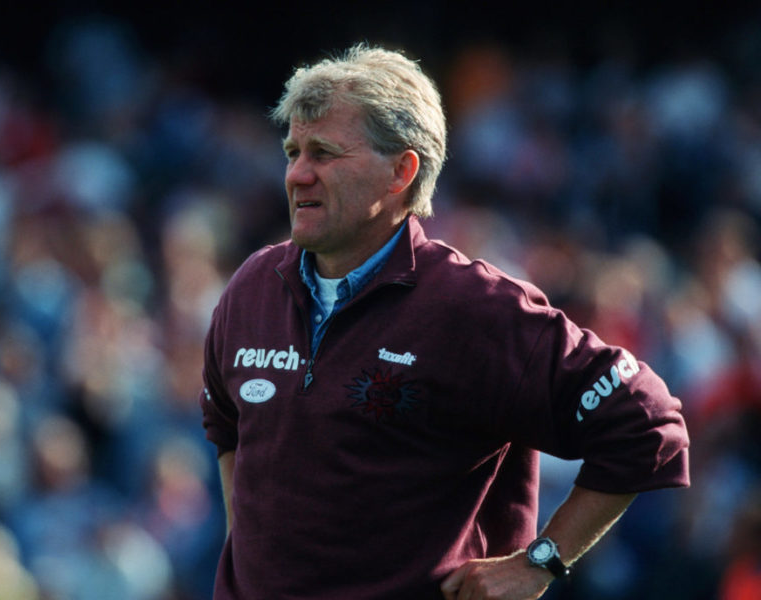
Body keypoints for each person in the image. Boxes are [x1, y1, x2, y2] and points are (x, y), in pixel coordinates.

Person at [199, 43, 690, 600]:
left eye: (324, 153)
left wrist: (540, 562)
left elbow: (647, 421)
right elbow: (226, 428)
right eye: (292, 151)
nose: (297, 175)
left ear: (401, 171)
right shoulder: (251, 287)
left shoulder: (473, 307)